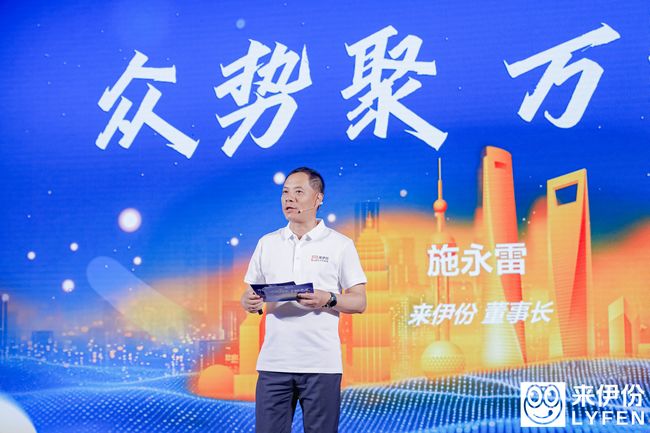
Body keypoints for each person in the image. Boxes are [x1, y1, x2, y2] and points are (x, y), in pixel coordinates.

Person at [240, 167, 367, 433]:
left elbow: (359, 302)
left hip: (321, 364)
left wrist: (328, 298)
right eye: (285, 192)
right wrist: (249, 302)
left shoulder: (340, 245)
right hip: (274, 364)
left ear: (318, 198)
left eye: (299, 192)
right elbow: (250, 293)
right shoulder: (267, 243)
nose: (289, 198)